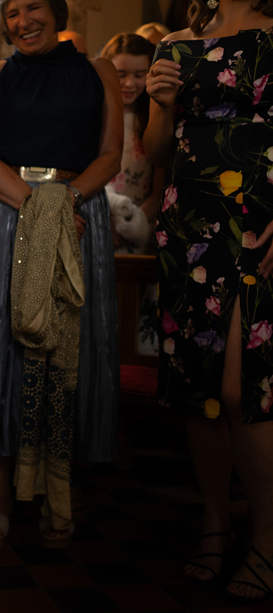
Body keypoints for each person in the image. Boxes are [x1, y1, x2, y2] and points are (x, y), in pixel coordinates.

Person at [0, 0, 122, 547]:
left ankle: (59, 487)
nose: (22, 21)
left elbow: (111, 155)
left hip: (81, 208)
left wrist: (67, 202)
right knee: (3, 345)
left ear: (58, 10)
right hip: (5, 211)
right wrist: (42, 208)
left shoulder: (99, 71)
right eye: (11, 12)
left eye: (34, 8)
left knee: (71, 345)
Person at [145, 0, 273, 603]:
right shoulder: (176, 42)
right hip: (188, 216)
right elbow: (153, 150)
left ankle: (267, 541)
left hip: (259, 217)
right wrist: (162, 104)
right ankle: (215, 526)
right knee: (199, 388)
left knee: (239, 388)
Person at [100, 33, 164, 254]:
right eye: (121, 74)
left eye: (139, 75)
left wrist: (130, 223)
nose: (129, 83)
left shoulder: (153, 121)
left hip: (139, 228)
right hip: (98, 221)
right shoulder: (95, 116)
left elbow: (158, 190)